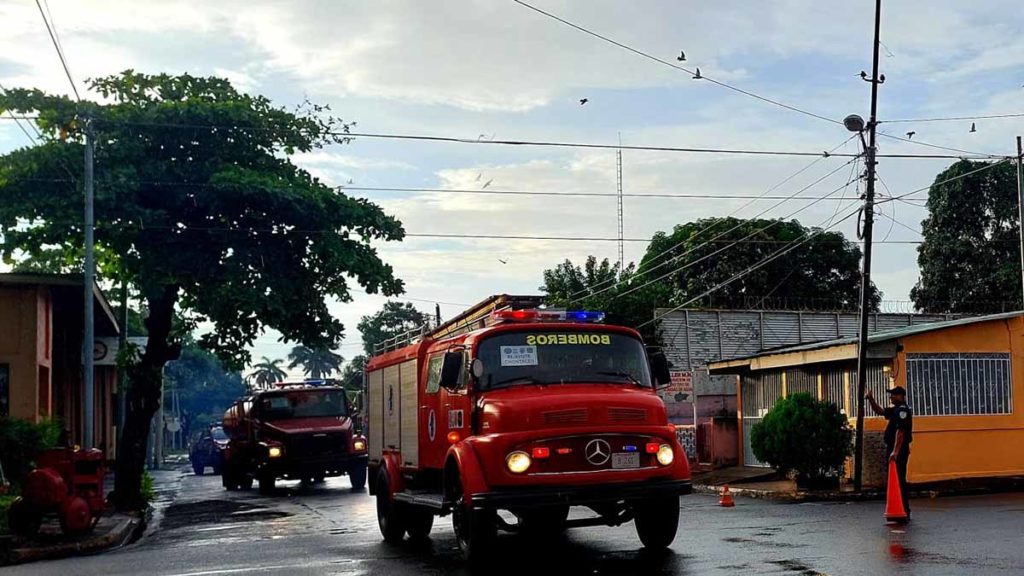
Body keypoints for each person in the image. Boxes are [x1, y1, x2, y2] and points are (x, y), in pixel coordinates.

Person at [866, 385, 913, 519]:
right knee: (895, 479)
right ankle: (899, 508)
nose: (891, 397)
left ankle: (904, 509)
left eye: (893, 395)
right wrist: (871, 399)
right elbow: (880, 411)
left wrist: (895, 452)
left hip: (899, 449)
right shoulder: (895, 410)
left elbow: (901, 432)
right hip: (894, 448)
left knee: (899, 480)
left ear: (901, 396)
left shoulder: (902, 411)